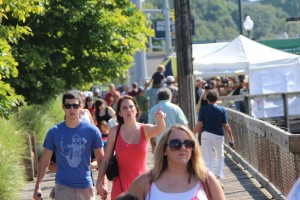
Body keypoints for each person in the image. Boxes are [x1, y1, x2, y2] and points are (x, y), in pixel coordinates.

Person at [33, 90, 105, 200]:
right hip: (63, 187)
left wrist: (102, 184)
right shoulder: (54, 132)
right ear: (63, 107)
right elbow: (45, 161)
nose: (71, 109)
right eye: (68, 105)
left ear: (81, 107)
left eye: (75, 106)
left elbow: (101, 159)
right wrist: (37, 186)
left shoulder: (92, 131)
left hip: (86, 186)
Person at [127, 124, 226, 200]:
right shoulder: (145, 181)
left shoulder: (206, 179)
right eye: (175, 144)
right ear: (164, 150)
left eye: (188, 144)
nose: (183, 148)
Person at [96, 95, 166, 200]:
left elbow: (159, 129)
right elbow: (105, 160)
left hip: (143, 185)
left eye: (131, 106)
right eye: (124, 108)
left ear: (136, 110)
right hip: (120, 187)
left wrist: (160, 119)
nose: (128, 109)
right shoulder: (114, 131)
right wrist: (98, 184)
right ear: (119, 113)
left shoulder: (144, 129)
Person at [193, 90, 235, 180]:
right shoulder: (222, 109)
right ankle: (219, 175)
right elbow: (226, 125)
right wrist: (231, 138)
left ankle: (210, 176)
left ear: (207, 99)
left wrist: (192, 134)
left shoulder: (203, 109)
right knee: (220, 156)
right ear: (217, 99)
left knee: (207, 157)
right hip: (218, 135)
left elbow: (199, 124)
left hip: (206, 134)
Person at [148, 87, 188, 152]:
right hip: (175, 143)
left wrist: (153, 145)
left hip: (159, 143)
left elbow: (151, 130)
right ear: (170, 96)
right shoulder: (176, 108)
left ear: (158, 98)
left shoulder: (153, 110)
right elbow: (185, 126)